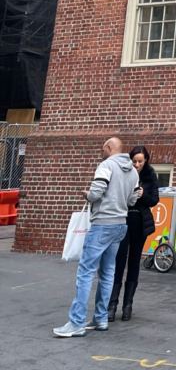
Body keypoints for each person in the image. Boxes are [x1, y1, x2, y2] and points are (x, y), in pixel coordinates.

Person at [54, 136, 139, 337]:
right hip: (120, 224)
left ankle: (76, 322)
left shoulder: (106, 165)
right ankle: (100, 318)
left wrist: (87, 194)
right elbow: (133, 200)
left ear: (110, 147)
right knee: (108, 272)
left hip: (102, 224)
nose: (101, 152)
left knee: (85, 272)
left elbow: (96, 193)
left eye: (103, 149)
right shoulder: (134, 171)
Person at [107, 145, 159, 322]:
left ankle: (127, 305)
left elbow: (154, 200)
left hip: (140, 223)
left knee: (134, 262)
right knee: (119, 261)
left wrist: (143, 195)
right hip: (123, 221)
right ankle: (112, 305)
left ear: (145, 161)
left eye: (140, 161)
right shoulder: (123, 172)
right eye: (134, 161)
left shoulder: (150, 174)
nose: (137, 164)